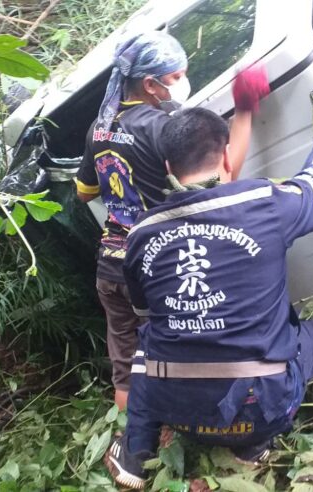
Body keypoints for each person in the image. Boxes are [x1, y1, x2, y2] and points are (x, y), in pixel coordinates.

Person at [106, 79, 313, 489]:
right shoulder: (264, 203)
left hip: (180, 413)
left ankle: (137, 450)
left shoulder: (139, 236)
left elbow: (147, 315)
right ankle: (253, 445)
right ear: (227, 154)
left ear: (168, 168)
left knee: (149, 337)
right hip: (261, 407)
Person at [76, 31, 270, 410]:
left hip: (112, 268)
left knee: (128, 368)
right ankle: (209, 422)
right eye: (177, 76)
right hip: (155, 267)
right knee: (188, 356)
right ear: (151, 84)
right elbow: (221, 178)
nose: (183, 81)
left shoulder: (98, 127)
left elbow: (85, 192)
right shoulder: (161, 127)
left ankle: (136, 442)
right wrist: (244, 108)